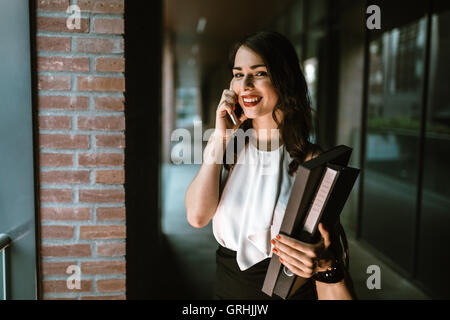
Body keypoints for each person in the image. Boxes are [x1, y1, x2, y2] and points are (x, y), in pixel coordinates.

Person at [185, 31, 355, 300]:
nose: (245, 84)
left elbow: (327, 255)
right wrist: (220, 137)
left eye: (259, 73)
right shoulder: (233, 147)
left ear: (284, 79)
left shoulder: (312, 160)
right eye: (238, 74)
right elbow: (197, 216)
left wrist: (324, 263)